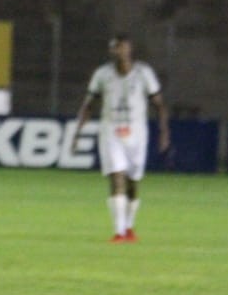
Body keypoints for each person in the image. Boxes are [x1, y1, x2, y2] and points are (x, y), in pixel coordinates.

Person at [70, 34, 169, 243]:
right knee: (116, 178)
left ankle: (129, 227)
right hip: (111, 132)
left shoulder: (144, 73)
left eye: (122, 47)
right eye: (115, 48)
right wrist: (77, 133)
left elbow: (158, 104)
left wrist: (164, 132)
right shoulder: (102, 74)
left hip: (137, 134)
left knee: (133, 183)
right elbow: (89, 104)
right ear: (111, 51)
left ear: (129, 49)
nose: (119, 51)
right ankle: (119, 232)